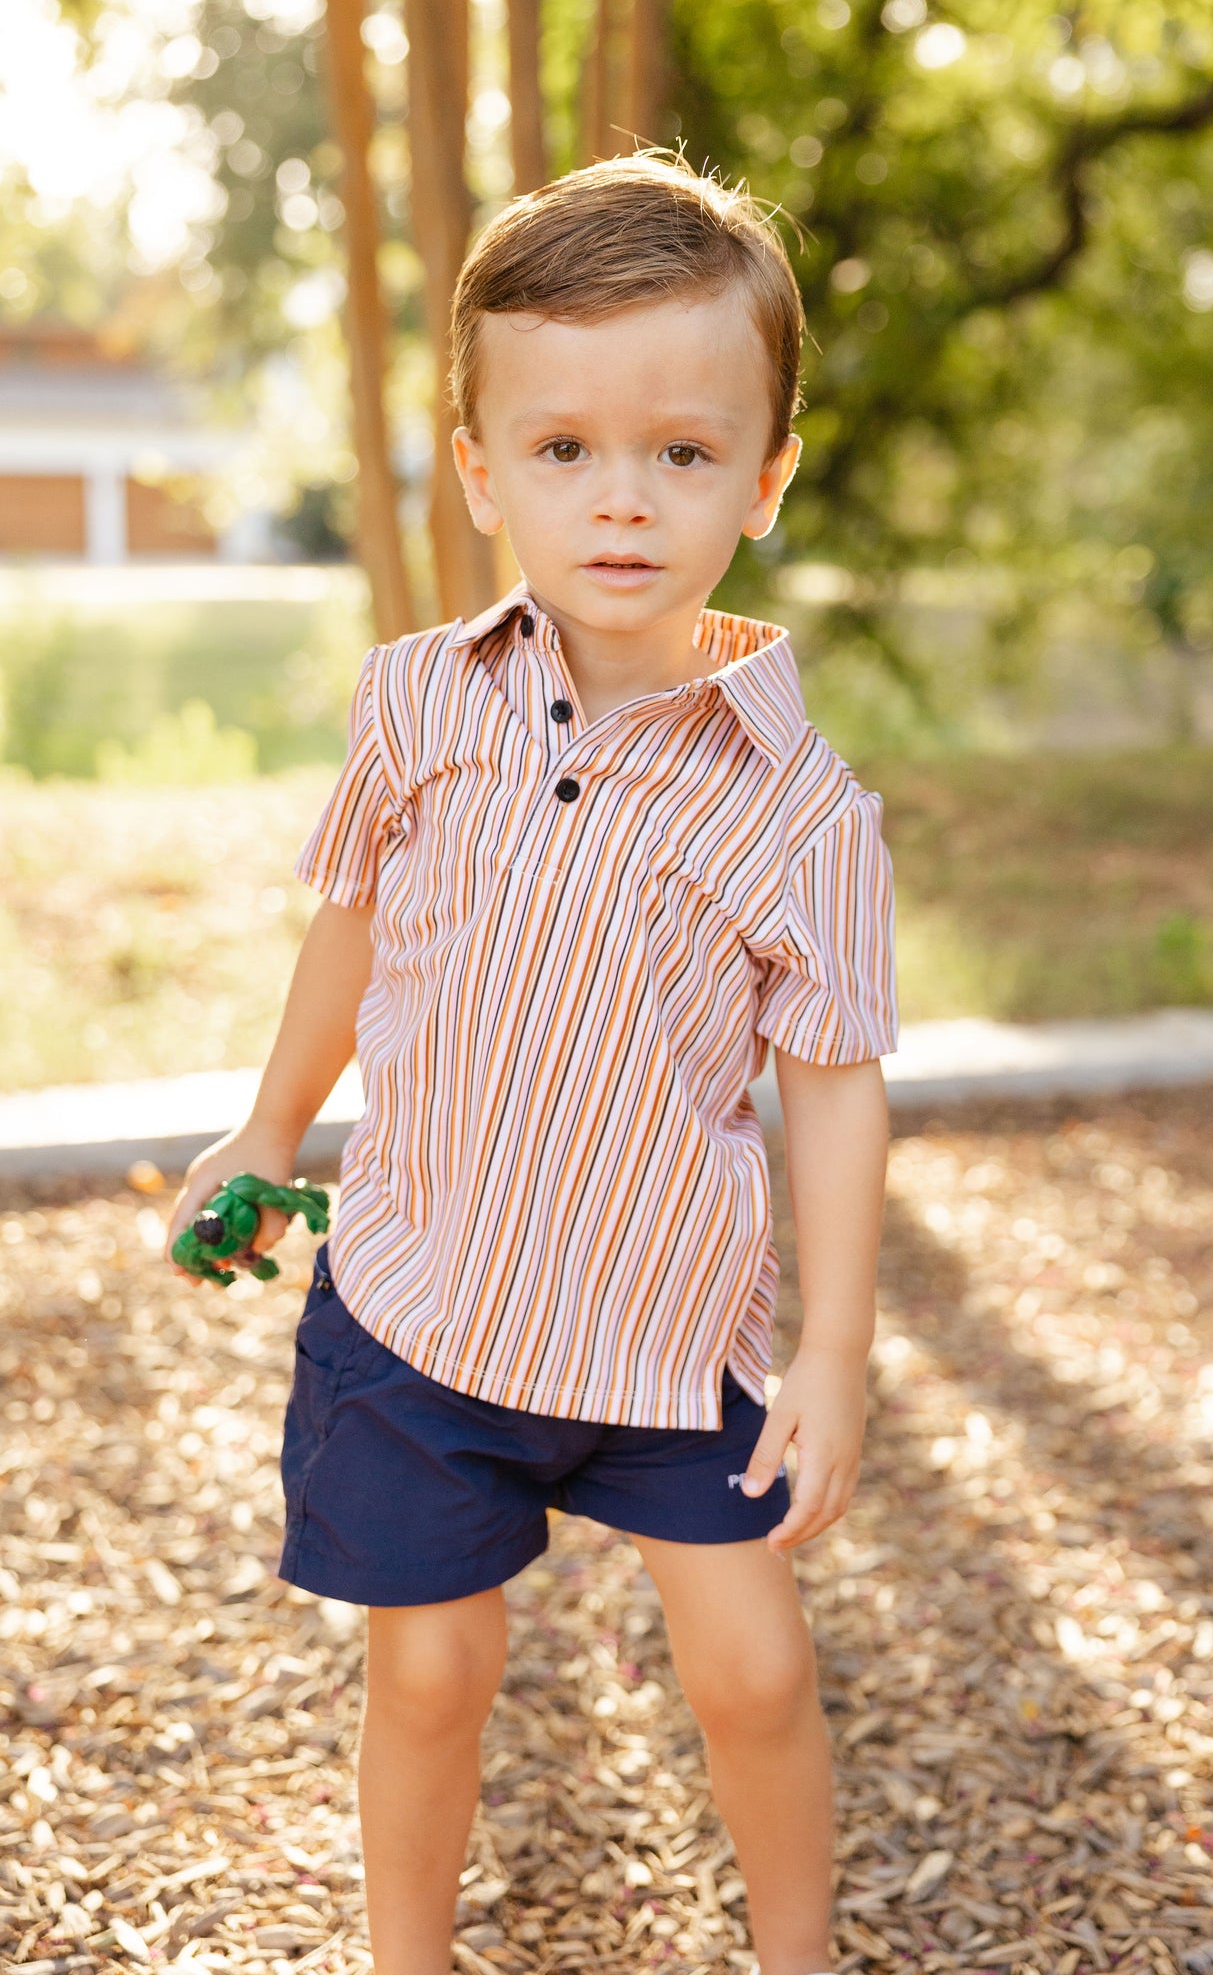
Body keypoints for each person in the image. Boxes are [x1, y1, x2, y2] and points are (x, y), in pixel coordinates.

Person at [167, 153, 897, 1975]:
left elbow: (831, 1079)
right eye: (563, 451)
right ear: (483, 471)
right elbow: (349, 922)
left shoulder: (803, 812)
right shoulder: (417, 699)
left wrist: (830, 1350)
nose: (624, 500)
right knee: (432, 1664)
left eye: (683, 450)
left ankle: (799, 1958)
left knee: (756, 1668)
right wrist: (266, 1125)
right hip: (426, 1303)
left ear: (767, 476)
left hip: (670, 1326)